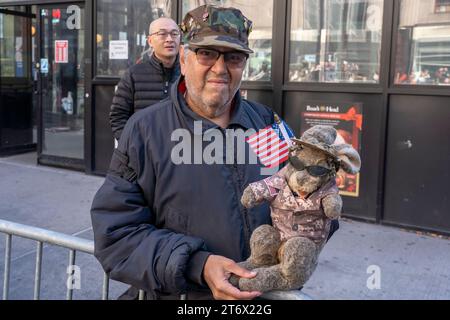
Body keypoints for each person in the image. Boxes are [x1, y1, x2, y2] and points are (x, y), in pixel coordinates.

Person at [91, 5, 338, 300]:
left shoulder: (266, 125)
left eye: (233, 57)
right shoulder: (145, 131)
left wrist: (319, 198)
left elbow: (307, 198)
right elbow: (116, 234)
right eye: (206, 53)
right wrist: (198, 265)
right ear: (184, 60)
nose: (220, 69)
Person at [109, 17, 181, 141]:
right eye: (162, 34)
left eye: (174, 34)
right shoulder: (134, 74)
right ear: (150, 41)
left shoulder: (190, 73)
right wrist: (133, 148)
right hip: (145, 154)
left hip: (181, 153)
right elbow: (118, 116)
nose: (169, 39)